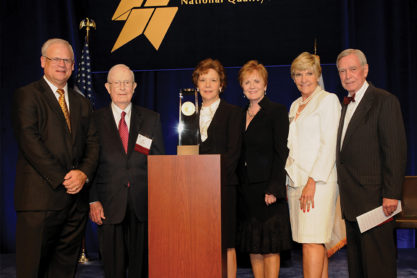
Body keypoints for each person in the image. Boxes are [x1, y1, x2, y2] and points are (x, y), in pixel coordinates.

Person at [11, 38, 99, 278]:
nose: (62, 64)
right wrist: (63, 178)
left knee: (64, 270)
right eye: (56, 59)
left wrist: (83, 174)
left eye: (67, 60)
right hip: (39, 202)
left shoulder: (82, 103)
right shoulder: (27, 95)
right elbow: (30, 142)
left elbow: (93, 144)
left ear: (73, 66)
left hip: (74, 203)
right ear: (43, 62)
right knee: (32, 270)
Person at [336, 49, 407, 278]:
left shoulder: (384, 101)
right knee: (358, 268)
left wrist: (391, 194)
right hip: (352, 203)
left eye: (353, 69)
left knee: (379, 268)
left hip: (376, 202)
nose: (347, 75)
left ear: (365, 70)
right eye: (342, 71)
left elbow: (395, 151)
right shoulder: (345, 104)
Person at [89, 64, 165, 277]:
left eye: (126, 83)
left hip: (144, 205)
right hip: (108, 205)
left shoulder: (151, 119)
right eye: (117, 83)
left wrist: (158, 203)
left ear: (134, 86)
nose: (122, 88)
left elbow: (158, 162)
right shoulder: (93, 120)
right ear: (107, 87)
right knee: (113, 268)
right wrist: (93, 200)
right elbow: (89, 164)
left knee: (142, 268)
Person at [285, 52, 341, 278]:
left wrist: (312, 181)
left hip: (318, 183)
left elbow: (329, 145)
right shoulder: (295, 104)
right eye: (298, 74)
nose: (303, 78)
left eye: (309, 73)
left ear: (318, 74)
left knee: (312, 241)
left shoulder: (328, 100)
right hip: (295, 181)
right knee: (310, 242)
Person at [236, 60, 292, 278]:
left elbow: (282, 153)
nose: (252, 86)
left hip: (268, 191)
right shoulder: (239, 115)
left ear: (266, 85)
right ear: (241, 87)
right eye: (247, 82)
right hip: (246, 191)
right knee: (254, 245)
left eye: (256, 81)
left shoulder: (276, 111)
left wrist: (274, 188)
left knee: (270, 246)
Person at [192, 58, 243, 278]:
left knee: (226, 242)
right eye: (203, 80)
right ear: (197, 84)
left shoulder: (233, 112)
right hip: (195, 190)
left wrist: (212, 180)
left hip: (224, 186)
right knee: (201, 240)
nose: (208, 85)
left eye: (213, 80)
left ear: (221, 84)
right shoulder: (188, 113)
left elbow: (234, 153)